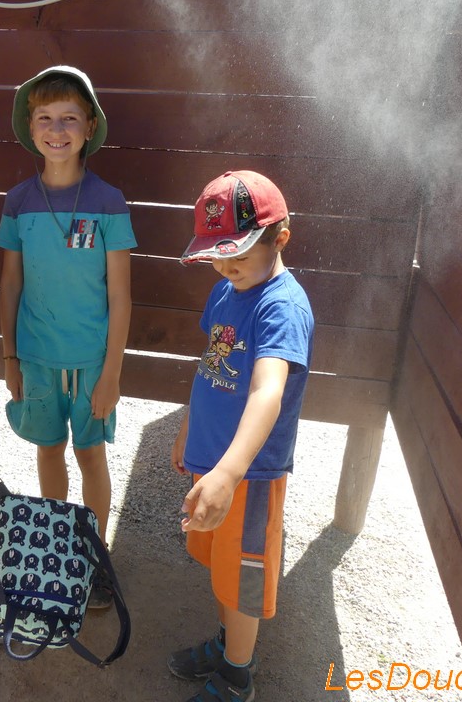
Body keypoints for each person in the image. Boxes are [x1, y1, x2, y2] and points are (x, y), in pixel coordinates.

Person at [169, 171, 315, 702]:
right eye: (217, 258)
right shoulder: (226, 290)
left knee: (243, 578)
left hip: (247, 475)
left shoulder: (282, 307)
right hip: (212, 461)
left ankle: (237, 676)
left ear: (281, 238)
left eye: (239, 257)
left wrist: (229, 473)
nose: (227, 269)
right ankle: (227, 643)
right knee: (222, 568)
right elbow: (211, 365)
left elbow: (267, 390)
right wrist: (188, 429)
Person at [0, 65, 137, 610]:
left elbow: (120, 295)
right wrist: (10, 357)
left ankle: (96, 557)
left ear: (90, 125)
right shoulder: (18, 200)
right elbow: (10, 283)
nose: (57, 130)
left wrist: (112, 373)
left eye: (70, 118)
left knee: (90, 454)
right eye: (45, 118)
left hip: (92, 360)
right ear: (30, 126)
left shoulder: (108, 201)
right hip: (36, 357)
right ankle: (58, 545)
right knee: (49, 449)